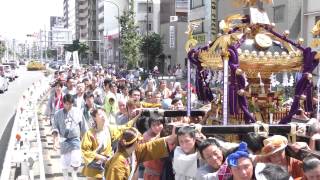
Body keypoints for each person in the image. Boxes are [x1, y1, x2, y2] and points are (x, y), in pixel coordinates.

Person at [81, 108, 141, 179]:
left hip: (106, 166)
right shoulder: (89, 133)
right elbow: (85, 151)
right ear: (94, 117)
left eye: (104, 113)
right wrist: (100, 157)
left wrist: (136, 117)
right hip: (94, 169)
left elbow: (124, 127)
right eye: (100, 114)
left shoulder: (109, 129)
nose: (103, 115)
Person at [104, 127, 177, 180]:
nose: (142, 142)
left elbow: (149, 147)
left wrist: (169, 139)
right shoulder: (118, 163)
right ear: (135, 143)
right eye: (139, 140)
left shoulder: (134, 152)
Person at [52, 94, 87, 180]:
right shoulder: (58, 114)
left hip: (75, 139)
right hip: (64, 139)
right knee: (65, 161)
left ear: (72, 103)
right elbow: (55, 128)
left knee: (76, 159)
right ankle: (66, 177)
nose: (68, 106)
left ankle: (74, 173)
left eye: (70, 104)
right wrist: (55, 141)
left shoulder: (78, 112)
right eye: (66, 104)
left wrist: (86, 139)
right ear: (63, 103)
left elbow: (83, 127)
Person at [142, 115, 165, 180]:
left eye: (159, 124)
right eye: (153, 125)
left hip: (164, 172)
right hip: (151, 174)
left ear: (163, 124)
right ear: (150, 127)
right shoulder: (146, 136)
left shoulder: (166, 134)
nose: (156, 127)